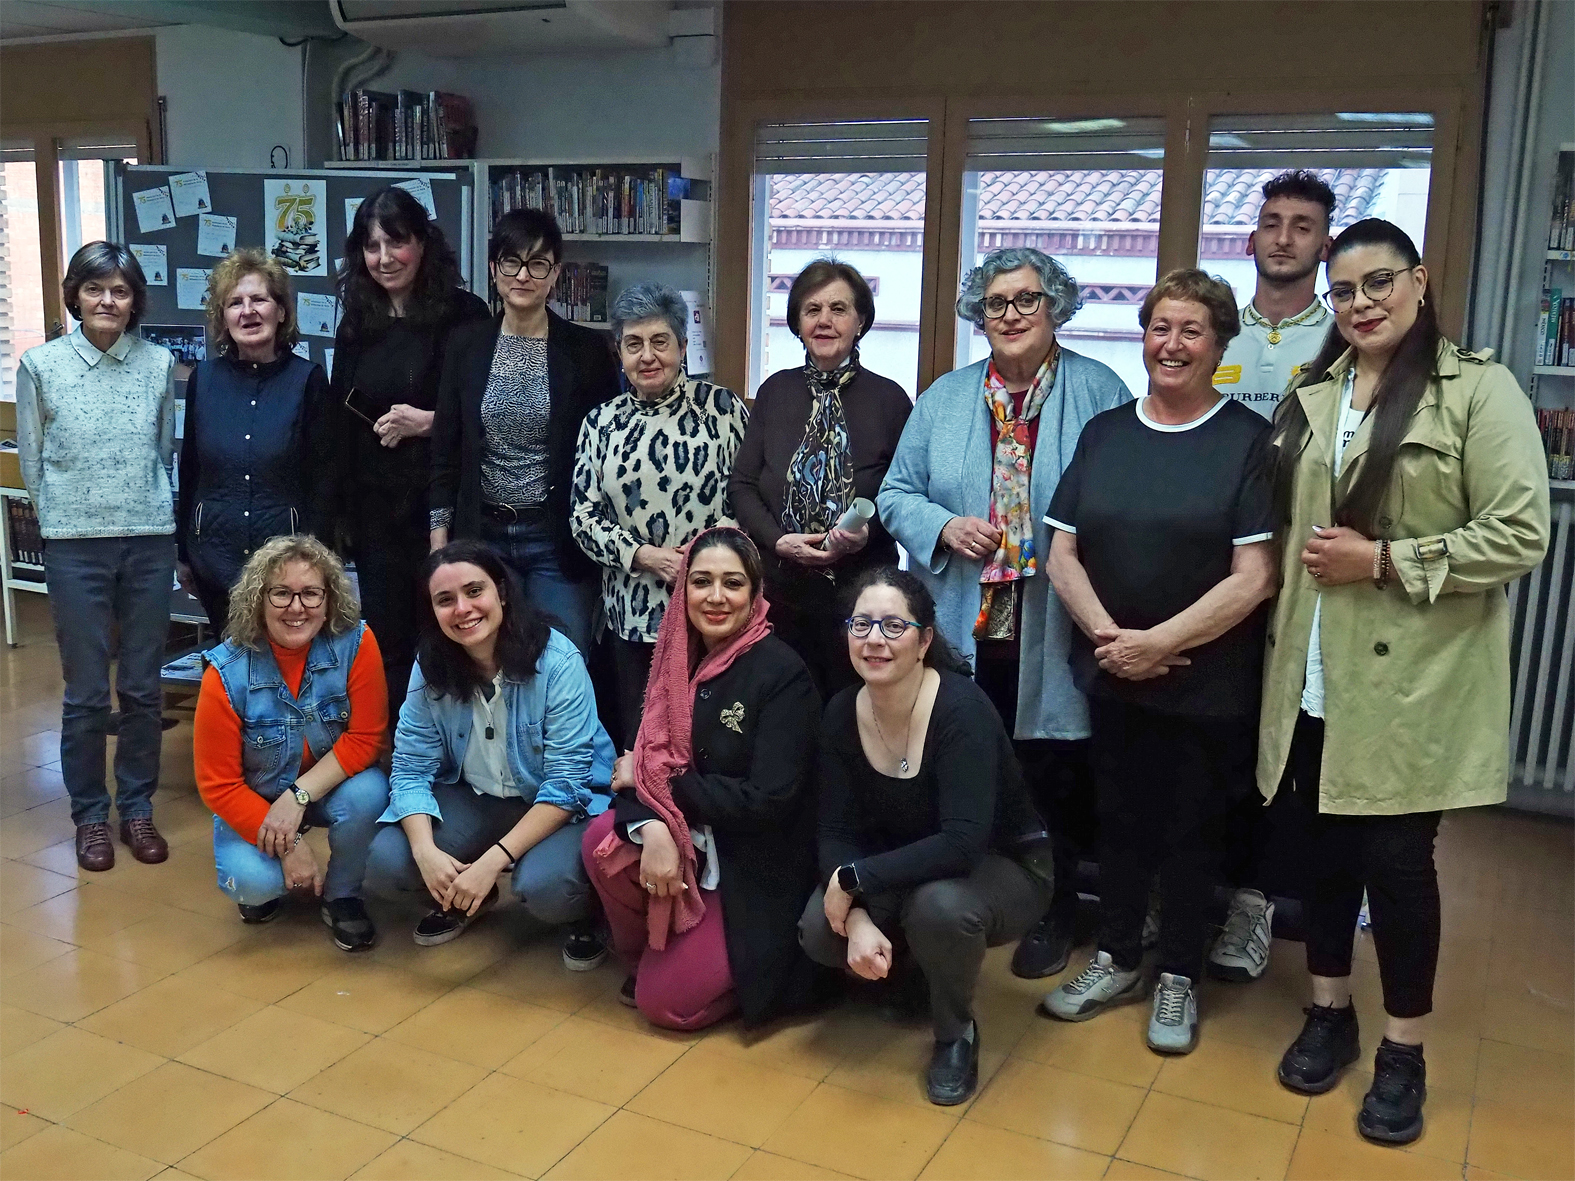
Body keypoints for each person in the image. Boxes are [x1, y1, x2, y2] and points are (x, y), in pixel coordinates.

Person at [1262, 220, 1549, 1144]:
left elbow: (1517, 534)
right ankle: (1328, 1008)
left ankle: (1402, 1048)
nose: (1359, 304)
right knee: (1316, 853)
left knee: (1396, 864)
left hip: (1410, 676)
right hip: (1309, 667)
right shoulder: (1317, 391)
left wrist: (1382, 559)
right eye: (1341, 291)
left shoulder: (1479, 390)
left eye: (1377, 282)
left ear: (1420, 283)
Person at [1040, 269, 1277, 1057]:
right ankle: (1114, 956)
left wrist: (1160, 642)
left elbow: (1255, 577)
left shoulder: (1247, 442)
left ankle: (1177, 972)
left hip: (1205, 685)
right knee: (1120, 822)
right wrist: (1112, 637)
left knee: (1191, 833)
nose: (1170, 344)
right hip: (1113, 671)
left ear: (1218, 346)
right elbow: (1061, 549)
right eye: (1158, 327)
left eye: (1190, 330)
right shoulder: (1105, 431)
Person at [878, 246, 1131, 982]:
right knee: (971, 760)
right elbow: (896, 492)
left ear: (1055, 305)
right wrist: (943, 526)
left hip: (1055, 616)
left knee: (1055, 768)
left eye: (1027, 300)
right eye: (996, 303)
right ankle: (971, 897)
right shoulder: (945, 397)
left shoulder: (1099, 390)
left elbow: (1122, 497)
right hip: (968, 616)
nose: (1011, 315)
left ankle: (1055, 906)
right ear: (977, 314)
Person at [799, 567, 1053, 1106]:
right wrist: (860, 912)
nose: (874, 639)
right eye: (861, 624)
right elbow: (835, 830)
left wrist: (854, 880)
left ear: (925, 640)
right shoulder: (841, 711)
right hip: (904, 861)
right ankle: (916, 974)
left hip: (1001, 865)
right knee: (822, 931)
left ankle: (955, 1033)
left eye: (894, 626)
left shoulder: (962, 710)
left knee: (938, 909)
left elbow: (962, 843)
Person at [582, 528, 824, 1031]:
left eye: (732, 583)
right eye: (701, 581)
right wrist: (654, 828)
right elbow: (639, 764)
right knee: (598, 842)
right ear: (683, 590)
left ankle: (731, 972)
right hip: (689, 840)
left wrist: (662, 790)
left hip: (751, 865)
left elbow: (769, 801)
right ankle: (655, 956)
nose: (716, 597)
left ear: (755, 593)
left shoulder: (782, 673)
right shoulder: (672, 657)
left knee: (667, 1006)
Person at [365, 540, 615, 967]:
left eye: (474, 591)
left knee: (545, 888)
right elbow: (409, 767)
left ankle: (587, 915)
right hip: (478, 798)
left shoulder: (557, 660)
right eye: (445, 600)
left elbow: (567, 785)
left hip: (562, 808)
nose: (462, 608)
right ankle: (468, 899)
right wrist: (426, 852)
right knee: (387, 863)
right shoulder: (430, 665)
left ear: (501, 591)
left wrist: (492, 861)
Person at [1207, 170, 1335, 983]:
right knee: (1211, 740)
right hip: (1214, 574)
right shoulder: (1219, 337)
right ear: (1249, 238)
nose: (1283, 237)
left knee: (1281, 751)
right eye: (1271, 222)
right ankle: (1189, 891)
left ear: (1323, 243)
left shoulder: (1344, 341)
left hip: (1302, 582)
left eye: (1301, 225)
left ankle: (1255, 902)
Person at [16, 242, 176, 871]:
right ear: (74, 296)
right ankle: (90, 816)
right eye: (95, 289)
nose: (108, 301)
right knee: (85, 692)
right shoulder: (41, 365)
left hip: (147, 541)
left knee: (140, 687)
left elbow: (162, 450)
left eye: (121, 290)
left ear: (135, 300)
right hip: (74, 547)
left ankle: (136, 808)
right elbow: (32, 461)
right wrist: (62, 524)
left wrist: (148, 511)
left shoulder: (158, 364)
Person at [430, 208, 620, 655]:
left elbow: (604, 450)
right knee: (487, 662)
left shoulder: (587, 352)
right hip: (482, 534)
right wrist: (441, 541)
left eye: (538, 264)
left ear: (554, 274)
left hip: (554, 539)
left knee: (565, 660)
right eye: (511, 262)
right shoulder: (466, 345)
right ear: (494, 269)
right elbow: (446, 450)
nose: (523, 275)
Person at [331, 185, 490, 718]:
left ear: (422, 243)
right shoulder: (358, 317)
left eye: (395, 244)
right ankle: (404, 762)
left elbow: (492, 414)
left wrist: (429, 423)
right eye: (371, 248)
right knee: (389, 643)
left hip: (444, 507)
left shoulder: (465, 314)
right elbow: (341, 415)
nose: (383, 259)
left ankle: (461, 758)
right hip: (378, 513)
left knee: (455, 634)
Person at [571, 282, 749, 746]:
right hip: (631, 612)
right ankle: (645, 819)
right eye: (634, 345)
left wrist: (697, 564)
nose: (647, 356)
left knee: (709, 738)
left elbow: (747, 501)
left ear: (683, 346)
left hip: (713, 607)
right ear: (620, 353)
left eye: (659, 342)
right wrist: (645, 555)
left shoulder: (724, 410)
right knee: (642, 738)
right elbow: (582, 517)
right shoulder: (601, 422)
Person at [194, 536, 388, 950]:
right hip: (256, 801)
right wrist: (291, 844)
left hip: (324, 789)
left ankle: (343, 895)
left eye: (310, 594)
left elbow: (367, 738)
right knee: (253, 885)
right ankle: (268, 880)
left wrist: (297, 797)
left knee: (371, 790)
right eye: (281, 593)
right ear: (258, 599)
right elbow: (218, 786)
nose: (297, 608)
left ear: (329, 598)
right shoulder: (225, 673)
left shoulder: (357, 642)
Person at [730, 259, 911, 697]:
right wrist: (776, 540)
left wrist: (869, 533)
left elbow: (906, 492)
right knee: (785, 709)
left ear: (860, 320)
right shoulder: (775, 392)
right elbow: (743, 485)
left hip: (863, 598)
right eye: (812, 310)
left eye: (838, 309)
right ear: (797, 322)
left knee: (853, 712)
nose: (824, 321)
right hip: (780, 591)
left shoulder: (890, 399)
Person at [178, 249, 334, 630]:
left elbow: (324, 481)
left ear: (281, 311)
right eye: (235, 303)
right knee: (231, 667)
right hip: (214, 559)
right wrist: (184, 554)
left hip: (288, 565)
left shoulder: (308, 380)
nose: (247, 311)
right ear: (223, 318)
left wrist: (317, 560)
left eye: (259, 299)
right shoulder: (205, 378)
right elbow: (190, 470)